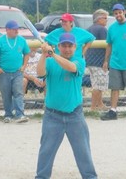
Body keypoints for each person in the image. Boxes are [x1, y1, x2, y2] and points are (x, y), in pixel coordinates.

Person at [35, 33, 97, 179]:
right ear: (59, 47)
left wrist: (53, 54)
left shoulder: (79, 61)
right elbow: (40, 73)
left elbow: (71, 67)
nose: (67, 49)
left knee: (83, 151)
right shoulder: (49, 62)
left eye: (70, 46)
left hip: (74, 115)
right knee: (46, 151)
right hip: (52, 116)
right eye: (64, 46)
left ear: (75, 47)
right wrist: (44, 55)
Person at [0, 20, 30, 123]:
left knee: (18, 92)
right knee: (6, 94)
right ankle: (8, 114)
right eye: (14, 29)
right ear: (7, 30)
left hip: (17, 72)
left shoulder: (21, 40)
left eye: (17, 29)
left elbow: (27, 53)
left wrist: (24, 66)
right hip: (4, 72)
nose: (16, 31)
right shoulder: (0, 41)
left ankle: (20, 114)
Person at [86, 9, 110, 111]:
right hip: (99, 61)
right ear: (99, 19)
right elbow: (108, 46)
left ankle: (100, 104)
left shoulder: (88, 29)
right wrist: (106, 61)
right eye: (105, 18)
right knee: (98, 86)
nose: (106, 20)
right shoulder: (102, 29)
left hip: (90, 61)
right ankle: (92, 107)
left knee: (96, 83)